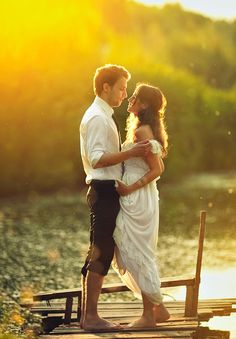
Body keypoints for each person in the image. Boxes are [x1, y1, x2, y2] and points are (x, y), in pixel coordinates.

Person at [79, 65, 151, 331]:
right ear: (106, 87)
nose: (124, 94)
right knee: (101, 251)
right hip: (103, 189)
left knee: (99, 250)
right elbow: (97, 159)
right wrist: (131, 154)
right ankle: (91, 317)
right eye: (121, 88)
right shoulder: (98, 117)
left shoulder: (102, 114)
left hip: (105, 190)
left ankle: (88, 316)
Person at [112, 83, 170, 328]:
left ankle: (148, 316)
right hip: (138, 196)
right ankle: (160, 309)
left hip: (137, 197)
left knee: (136, 251)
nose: (130, 99)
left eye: (134, 96)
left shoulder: (143, 131)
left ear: (144, 104)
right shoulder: (142, 128)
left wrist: (129, 188)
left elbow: (158, 169)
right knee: (135, 248)